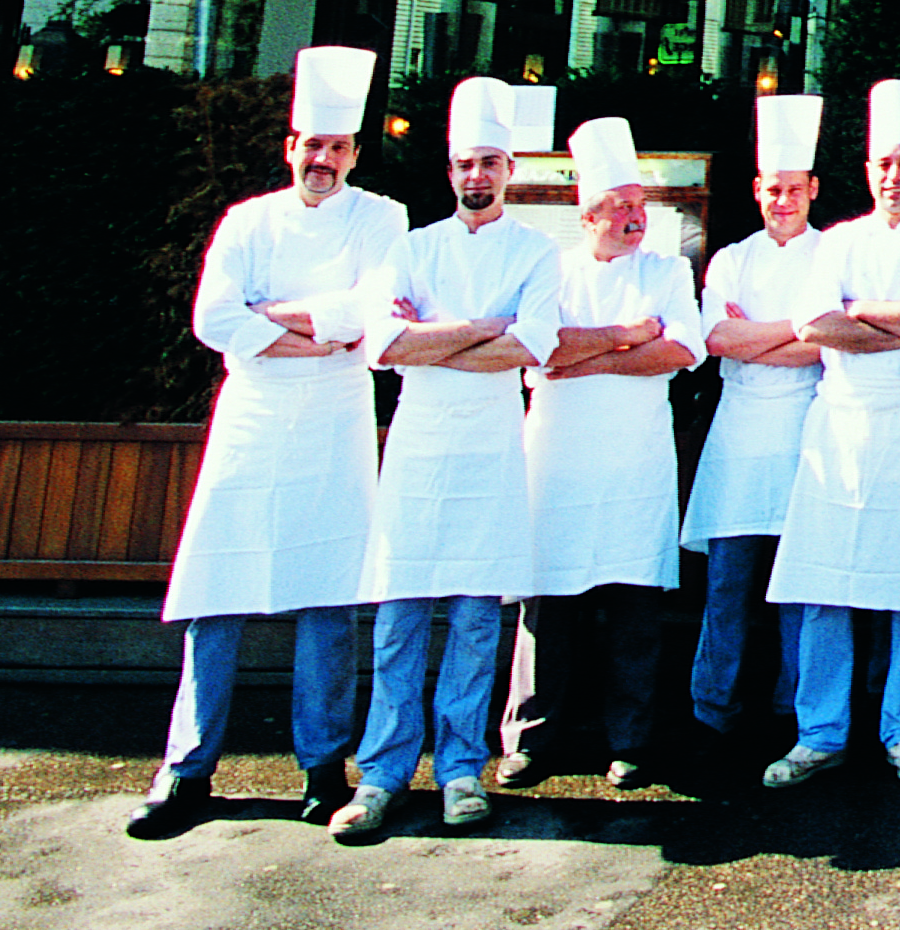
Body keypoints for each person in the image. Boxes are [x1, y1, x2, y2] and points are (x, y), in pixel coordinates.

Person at [131, 45, 405, 838]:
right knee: (217, 591)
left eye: (337, 147)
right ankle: (186, 769)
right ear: (289, 147)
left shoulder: (382, 217)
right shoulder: (246, 219)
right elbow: (212, 319)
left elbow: (371, 312)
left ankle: (322, 766)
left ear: (355, 152)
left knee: (326, 594)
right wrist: (313, 331)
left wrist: (271, 315)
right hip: (252, 415)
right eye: (309, 145)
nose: (322, 159)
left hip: (333, 418)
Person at [330, 79, 563, 845]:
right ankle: (383, 774)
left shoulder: (535, 251)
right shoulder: (411, 247)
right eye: (466, 162)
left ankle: (462, 766)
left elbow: (532, 345)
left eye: (490, 162)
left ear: (509, 167)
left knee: (472, 616)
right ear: (450, 166)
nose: (477, 176)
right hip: (420, 447)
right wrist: (482, 329)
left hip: (491, 447)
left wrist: (438, 336)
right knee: (399, 614)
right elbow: (383, 346)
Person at [765, 79, 900, 790]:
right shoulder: (838, 240)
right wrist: (893, 320)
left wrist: (859, 314)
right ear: (867, 172)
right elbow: (813, 325)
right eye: (884, 163)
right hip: (842, 424)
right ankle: (818, 731)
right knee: (827, 582)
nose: (895, 175)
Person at [503, 115, 703, 791]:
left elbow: (679, 349)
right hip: (556, 457)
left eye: (640, 206)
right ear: (587, 213)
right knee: (547, 605)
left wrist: (584, 354)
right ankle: (531, 738)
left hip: (635, 462)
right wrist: (622, 335)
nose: (633, 217)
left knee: (634, 610)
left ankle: (631, 740)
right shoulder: (547, 270)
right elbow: (541, 350)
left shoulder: (668, 269)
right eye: (620, 205)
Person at [681, 94, 826, 770]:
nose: (783, 199)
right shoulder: (732, 259)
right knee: (729, 584)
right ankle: (712, 710)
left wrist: (761, 337)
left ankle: (794, 709)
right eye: (773, 189)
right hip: (740, 432)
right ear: (757, 191)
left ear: (813, 190)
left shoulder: (834, 254)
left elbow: (829, 344)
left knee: (799, 583)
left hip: (806, 425)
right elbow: (715, 337)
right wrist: (792, 329)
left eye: (794, 188)